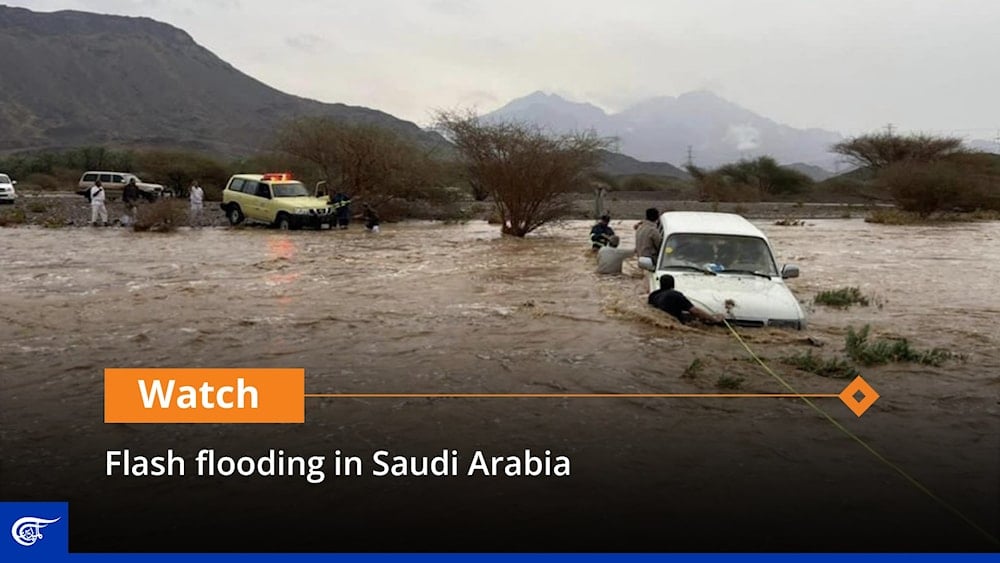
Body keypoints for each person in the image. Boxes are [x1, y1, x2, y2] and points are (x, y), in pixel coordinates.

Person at [647, 274, 725, 324]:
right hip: (674, 322)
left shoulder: (653, 295)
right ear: (673, 284)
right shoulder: (675, 295)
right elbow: (695, 311)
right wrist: (713, 319)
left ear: (660, 284)